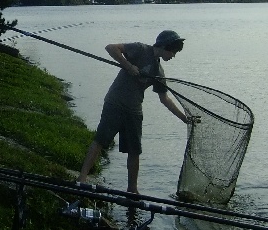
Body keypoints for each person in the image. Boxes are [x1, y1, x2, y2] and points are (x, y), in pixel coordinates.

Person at [77, 30, 190, 194]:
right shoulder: (140, 49)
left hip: (134, 110)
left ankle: (132, 189)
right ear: (165, 46)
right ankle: (82, 178)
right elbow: (111, 48)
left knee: (134, 150)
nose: (173, 56)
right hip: (115, 102)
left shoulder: (158, 72)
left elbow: (164, 99)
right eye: (173, 51)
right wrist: (128, 66)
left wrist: (184, 118)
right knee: (100, 140)